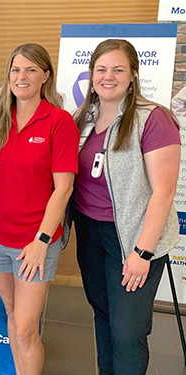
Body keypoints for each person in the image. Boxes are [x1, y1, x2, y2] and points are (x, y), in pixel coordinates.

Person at [72, 39, 180, 375]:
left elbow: (163, 191)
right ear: (91, 75)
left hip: (134, 239)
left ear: (133, 74)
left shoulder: (153, 119)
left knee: (127, 331)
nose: (109, 77)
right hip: (90, 233)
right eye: (101, 69)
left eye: (118, 69)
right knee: (103, 316)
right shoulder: (82, 119)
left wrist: (143, 252)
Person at [0, 43, 80, 375]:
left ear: (45, 76)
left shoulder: (59, 121)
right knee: (11, 313)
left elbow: (63, 188)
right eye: (16, 69)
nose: (21, 76)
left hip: (34, 241)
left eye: (31, 70)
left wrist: (41, 239)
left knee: (25, 328)